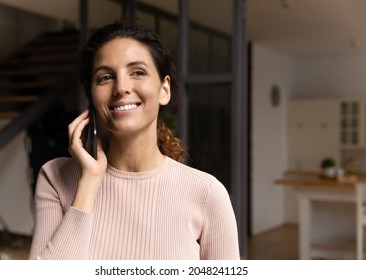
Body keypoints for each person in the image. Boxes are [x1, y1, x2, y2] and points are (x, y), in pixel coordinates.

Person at [28, 21, 239, 260]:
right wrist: (89, 182)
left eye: (138, 72)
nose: (121, 87)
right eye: (105, 77)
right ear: (92, 98)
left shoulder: (207, 193)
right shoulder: (56, 177)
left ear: (164, 90)